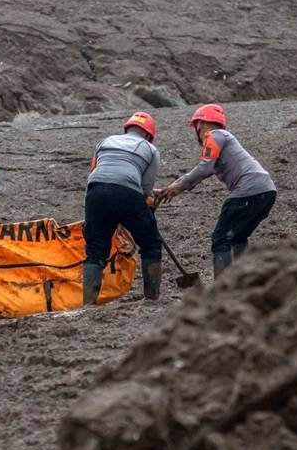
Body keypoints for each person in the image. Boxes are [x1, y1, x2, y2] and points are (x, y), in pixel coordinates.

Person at [154, 104, 277, 278]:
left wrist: (178, 187)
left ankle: (223, 288)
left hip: (249, 190)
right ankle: (247, 280)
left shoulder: (213, 135)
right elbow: (205, 169)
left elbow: (204, 168)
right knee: (238, 237)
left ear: (200, 124)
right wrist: (173, 187)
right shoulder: (225, 138)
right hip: (267, 190)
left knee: (221, 239)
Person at [83, 112, 162, 304]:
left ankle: (88, 304)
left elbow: (94, 171)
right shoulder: (150, 149)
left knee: (95, 250)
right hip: (127, 192)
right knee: (151, 244)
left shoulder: (105, 141)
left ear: (126, 128)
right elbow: (146, 188)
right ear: (149, 135)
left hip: (95, 191)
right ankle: (151, 298)